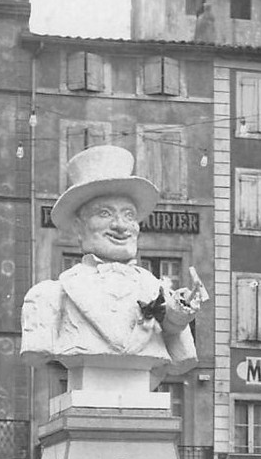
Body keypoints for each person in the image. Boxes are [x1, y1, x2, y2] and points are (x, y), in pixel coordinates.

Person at [21, 145, 204, 377]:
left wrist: (178, 315)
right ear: (79, 226)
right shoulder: (51, 295)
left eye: (129, 215)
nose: (120, 226)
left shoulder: (155, 289)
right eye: (105, 213)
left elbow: (177, 347)